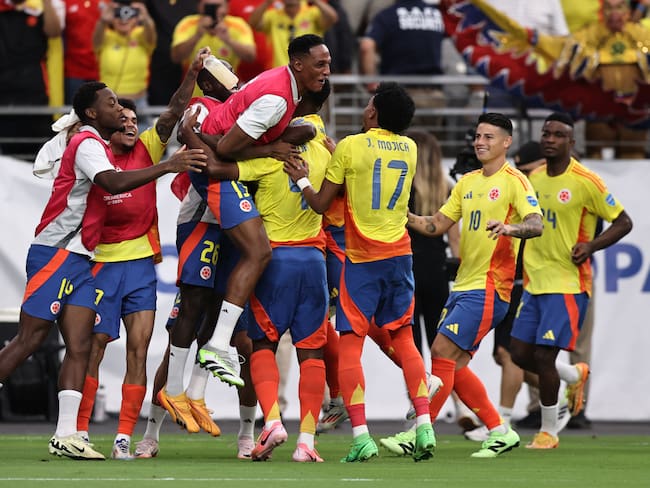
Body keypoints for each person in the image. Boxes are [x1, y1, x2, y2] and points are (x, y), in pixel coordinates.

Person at [0, 80, 206, 460]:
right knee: (29, 340)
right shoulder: (87, 143)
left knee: (79, 347)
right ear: (93, 114)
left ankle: (67, 435)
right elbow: (110, 181)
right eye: (112, 104)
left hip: (82, 260)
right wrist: (168, 166)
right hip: (56, 253)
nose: (120, 110)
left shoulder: (88, 139)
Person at [284, 82, 436, 463]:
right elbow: (372, 174)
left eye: (369, 105)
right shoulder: (411, 147)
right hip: (401, 254)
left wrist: (302, 176)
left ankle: (361, 435)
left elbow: (320, 203)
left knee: (350, 343)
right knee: (404, 338)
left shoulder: (352, 146)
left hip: (362, 259)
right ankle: (424, 423)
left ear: (373, 113)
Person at [72, 49, 212, 460]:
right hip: (98, 263)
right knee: (94, 348)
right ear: (108, 127)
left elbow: (171, 112)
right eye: (124, 120)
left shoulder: (148, 147)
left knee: (139, 348)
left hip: (140, 268)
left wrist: (192, 73)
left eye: (135, 120)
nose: (131, 124)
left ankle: (122, 439)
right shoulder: (92, 155)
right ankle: (78, 431)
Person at [182, 34, 330, 389]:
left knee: (245, 260)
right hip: (215, 170)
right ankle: (217, 346)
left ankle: (211, 355)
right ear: (297, 64)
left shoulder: (282, 86)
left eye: (328, 63)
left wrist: (283, 140)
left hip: (220, 162)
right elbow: (228, 149)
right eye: (320, 64)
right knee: (258, 251)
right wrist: (271, 149)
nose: (327, 71)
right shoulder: (277, 101)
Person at [406, 112, 543, 458]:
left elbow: (536, 223)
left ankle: (419, 431)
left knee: (439, 351)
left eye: (489, 137)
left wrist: (512, 229)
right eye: (478, 136)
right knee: (456, 364)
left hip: (490, 286)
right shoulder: (466, 182)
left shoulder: (515, 181)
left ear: (506, 142)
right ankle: (500, 431)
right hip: (464, 285)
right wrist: (400, 215)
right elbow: (436, 225)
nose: (480, 142)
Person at [146, 58, 258, 460]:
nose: (235, 82)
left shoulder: (242, 111)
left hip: (236, 225)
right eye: (227, 76)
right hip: (203, 220)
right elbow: (188, 135)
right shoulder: (203, 106)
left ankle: (241, 428)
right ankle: (155, 424)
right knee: (190, 312)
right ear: (210, 81)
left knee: (238, 338)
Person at [510, 112, 633, 449]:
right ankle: (574, 374)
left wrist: (592, 245)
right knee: (519, 353)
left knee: (544, 357)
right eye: (546, 133)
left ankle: (548, 432)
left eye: (558, 135)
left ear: (571, 141)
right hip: (534, 281)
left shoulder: (586, 181)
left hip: (568, 282)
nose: (550, 139)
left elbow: (623, 221)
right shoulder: (533, 177)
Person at [0, 0, 63, 157]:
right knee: (7, 155)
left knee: (39, 152)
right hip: (4, 94)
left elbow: (54, 31)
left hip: (35, 91)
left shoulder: (37, 10)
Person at [171, 0, 256, 97]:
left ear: (227, 7)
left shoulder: (237, 25)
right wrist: (197, 35)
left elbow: (250, 56)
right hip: (193, 94)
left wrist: (228, 40)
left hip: (227, 93)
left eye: (217, 6)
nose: (214, 9)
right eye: (208, 5)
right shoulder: (188, 24)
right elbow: (176, 57)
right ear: (199, 6)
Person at [92, 1, 157, 115]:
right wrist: (103, 20)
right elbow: (96, 40)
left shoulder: (140, 35)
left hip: (138, 103)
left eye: (129, 14)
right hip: (109, 102)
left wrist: (146, 18)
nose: (123, 19)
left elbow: (151, 37)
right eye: (118, 15)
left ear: (136, 18)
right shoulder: (106, 36)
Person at [248, 0, 338, 68]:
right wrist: (268, 2)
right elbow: (253, 23)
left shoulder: (312, 13)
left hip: (309, 71)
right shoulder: (273, 15)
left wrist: (315, 1)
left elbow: (332, 18)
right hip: (280, 71)